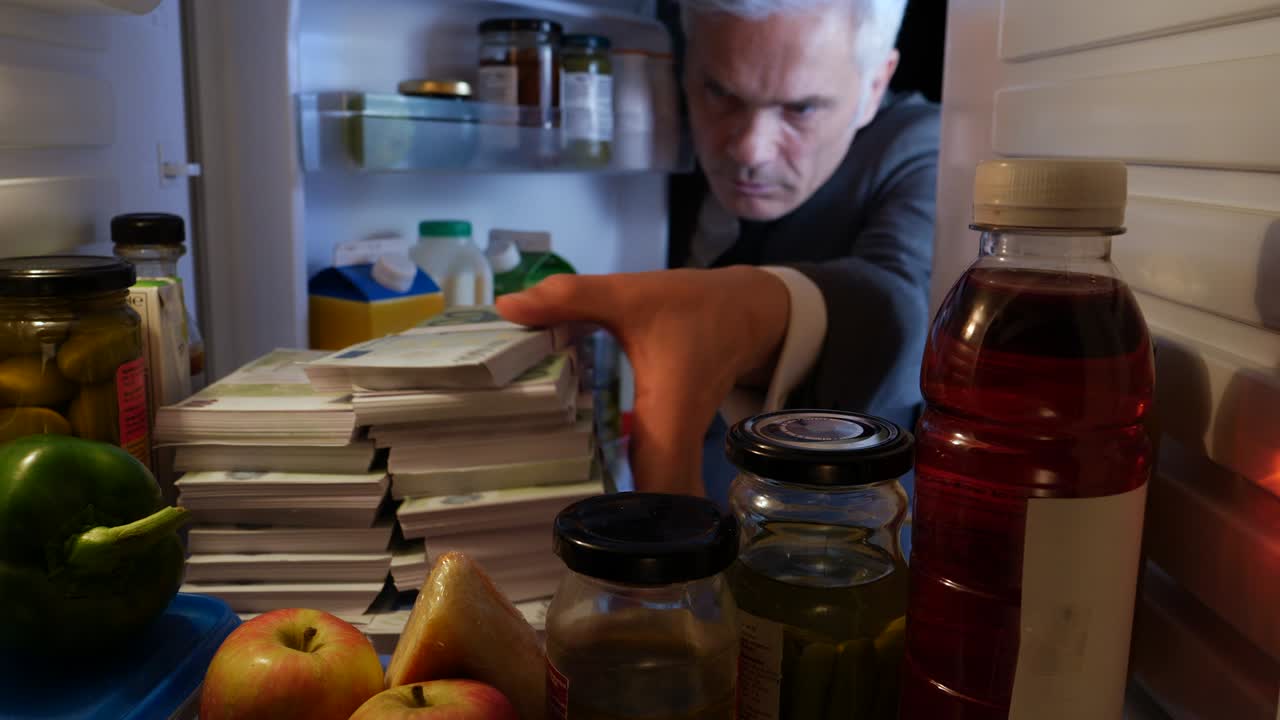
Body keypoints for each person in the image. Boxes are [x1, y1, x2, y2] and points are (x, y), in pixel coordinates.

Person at [499, 0, 940, 500]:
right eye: (720, 93)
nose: (750, 150)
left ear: (874, 87)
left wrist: (752, 310)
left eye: (801, 109)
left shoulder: (920, 146)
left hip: (830, 541)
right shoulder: (664, 125)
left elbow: (908, 297)